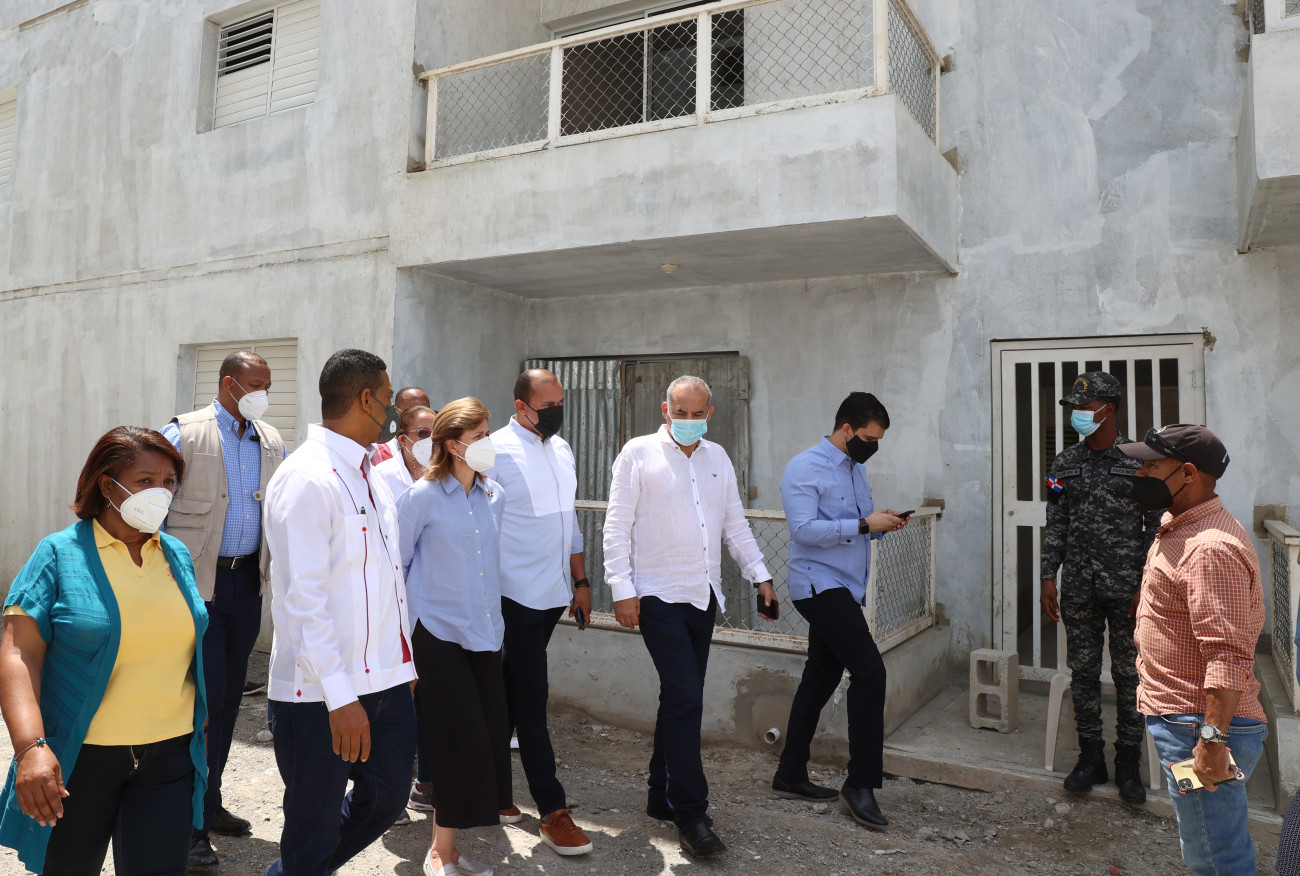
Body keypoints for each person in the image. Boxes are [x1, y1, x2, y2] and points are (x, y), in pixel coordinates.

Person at [0, 427, 209, 876]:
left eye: (169, 482)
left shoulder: (175, 554)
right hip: (82, 760)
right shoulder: (59, 554)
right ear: (106, 486)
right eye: (145, 480)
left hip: (169, 756)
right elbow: (19, 654)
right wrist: (30, 747)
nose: (160, 493)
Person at [603, 375, 775, 859]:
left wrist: (760, 577)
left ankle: (660, 794)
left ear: (709, 414)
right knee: (686, 700)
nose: (688, 420)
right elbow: (616, 525)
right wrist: (621, 589)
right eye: (680, 412)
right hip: (656, 594)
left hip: (703, 597)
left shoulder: (717, 458)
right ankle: (691, 815)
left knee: (679, 699)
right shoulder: (637, 453)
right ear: (665, 410)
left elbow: (735, 524)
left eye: (697, 413)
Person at [262, 349, 418, 876]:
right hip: (319, 694)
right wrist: (340, 696)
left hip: (386, 681)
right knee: (313, 828)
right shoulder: (306, 477)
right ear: (366, 398)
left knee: (387, 799)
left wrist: (404, 664)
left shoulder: (371, 473)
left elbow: (388, 579)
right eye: (389, 397)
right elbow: (303, 600)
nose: (394, 409)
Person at [1119, 425, 1267, 876]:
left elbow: (1227, 656)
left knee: (1216, 858)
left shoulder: (1208, 549)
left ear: (1187, 473)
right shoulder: (1182, 524)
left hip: (1199, 726)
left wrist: (1211, 741)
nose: (1139, 473)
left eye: (1150, 465)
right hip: (1189, 720)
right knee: (1206, 844)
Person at [160, 350, 288, 868]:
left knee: (231, 702)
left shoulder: (270, 440)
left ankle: (208, 804)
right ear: (229, 383)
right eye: (256, 385)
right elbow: (153, 512)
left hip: (246, 585)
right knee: (203, 707)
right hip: (198, 588)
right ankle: (188, 823)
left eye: (268, 385)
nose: (264, 394)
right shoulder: (184, 434)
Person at [773, 392, 907, 829]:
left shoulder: (855, 468)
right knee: (870, 672)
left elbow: (854, 526)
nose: (873, 447)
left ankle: (789, 774)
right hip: (818, 586)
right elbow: (804, 530)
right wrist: (866, 524)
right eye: (869, 438)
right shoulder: (805, 466)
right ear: (846, 428)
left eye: (878, 441)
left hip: (845, 588)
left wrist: (880, 523)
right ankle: (860, 784)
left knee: (821, 677)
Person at [397, 398, 511, 876]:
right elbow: (397, 567)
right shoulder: (421, 496)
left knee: (483, 738)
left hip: (484, 632)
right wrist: (402, 646)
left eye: (488, 433)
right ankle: (439, 852)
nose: (488, 443)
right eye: (479, 436)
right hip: (436, 632)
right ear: (452, 445)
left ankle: (449, 848)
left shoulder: (494, 495)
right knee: (454, 738)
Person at [1038, 372, 1160, 804]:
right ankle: (1090, 757)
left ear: (1108, 409)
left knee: (1129, 675)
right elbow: (1057, 521)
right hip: (1079, 586)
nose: (1076, 414)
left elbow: (1155, 528)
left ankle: (1128, 762)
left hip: (1127, 588)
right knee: (1084, 673)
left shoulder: (1139, 462)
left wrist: (1147, 584)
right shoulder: (1064, 464)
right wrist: (1048, 575)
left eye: (1083, 408)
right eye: (1074, 407)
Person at [487, 369, 593, 855]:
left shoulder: (562, 449)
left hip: (553, 594)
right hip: (513, 595)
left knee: (510, 694)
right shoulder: (493, 450)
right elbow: (475, 523)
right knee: (531, 698)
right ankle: (552, 810)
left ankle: (492, 792)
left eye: (560, 402)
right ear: (521, 406)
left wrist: (581, 581)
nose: (556, 411)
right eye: (547, 405)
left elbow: (569, 521)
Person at [371, 403, 438, 822]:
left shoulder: (444, 478)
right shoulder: (381, 478)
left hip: (429, 610)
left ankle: (424, 784)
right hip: (387, 606)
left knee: (428, 701)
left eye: (437, 433)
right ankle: (381, 791)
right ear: (403, 438)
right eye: (422, 433)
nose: (430, 441)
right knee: (391, 701)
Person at [371, 387, 432, 465]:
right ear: (396, 411)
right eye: (410, 412)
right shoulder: (378, 452)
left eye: (424, 411)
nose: (419, 417)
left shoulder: (438, 449)